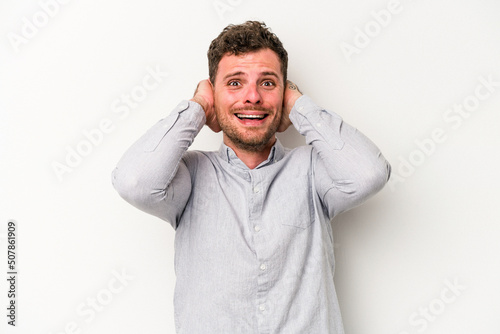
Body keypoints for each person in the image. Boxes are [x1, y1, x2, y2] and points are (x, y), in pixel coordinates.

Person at [112, 21, 391, 334]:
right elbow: (133, 182)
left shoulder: (314, 171)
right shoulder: (188, 177)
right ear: (214, 96)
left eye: (268, 83)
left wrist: (300, 106)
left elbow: (369, 173)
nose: (253, 97)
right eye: (234, 83)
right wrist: (197, 107)